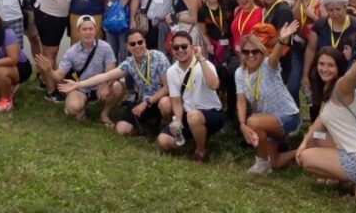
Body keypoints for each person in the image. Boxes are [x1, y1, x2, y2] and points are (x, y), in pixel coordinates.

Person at [296, 43, 356, 206]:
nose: (325, 69)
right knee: (316, 137)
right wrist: (304, 142)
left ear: (339, 67)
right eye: (321, 64)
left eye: (330, 65)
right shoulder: (327, 89)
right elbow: (320, 120)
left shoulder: (341, 86)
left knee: (305, 158)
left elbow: (352, 74)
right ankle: (350, 181)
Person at [59, 29, 171, 136]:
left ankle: (170, 127)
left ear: (145, 42)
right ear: (127, 47)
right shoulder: (129, 63)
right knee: (120, 129)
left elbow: (166, 88)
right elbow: (105, 76)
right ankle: (146, 127)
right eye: (132, 44)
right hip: (142, 101)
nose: (137, 46)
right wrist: (78, 84)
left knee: (165, 104)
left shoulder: (158, 57)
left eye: (140, 42)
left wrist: (146, 103)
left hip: (159, 99)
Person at [236, 22, 301, 175]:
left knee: (252, 121)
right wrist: (241, 124)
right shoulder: (239, 73)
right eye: (246, 52)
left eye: (255, 51)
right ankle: (304, 149)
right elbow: (240, 100)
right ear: (242, 54)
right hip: (266, 122)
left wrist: (280, 41)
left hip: (288, 116)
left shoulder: (268, 65)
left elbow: (275, 56)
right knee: (276, 162)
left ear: (262, 51)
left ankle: (261, 164)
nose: (251, 55)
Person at [39, 16, 122, 125]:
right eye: (84, 29)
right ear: (78, 32)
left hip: (99, 86)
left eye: (90, 29)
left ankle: (104, 114)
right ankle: (80, 109)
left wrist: (107, 86)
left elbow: (112, 72)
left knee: (116, 87)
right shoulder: (71, 52)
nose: (88, 32)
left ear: (95, 30)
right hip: (80, 88)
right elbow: (59, 75)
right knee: (73, 107)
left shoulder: (105, 47)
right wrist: (49, 70)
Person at [157, 31, 224, 163]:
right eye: (176, 47)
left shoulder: (205, 64)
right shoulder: (171, 71)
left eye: (184, 46)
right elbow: (176, 101)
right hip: (188, 114)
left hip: (211, 113)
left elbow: (214, 85)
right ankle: (189, 143)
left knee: (193, 116)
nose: (180, 50)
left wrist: (201, 58)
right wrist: (178, 121)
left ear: (192, 47)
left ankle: (200, 151)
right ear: (172, 49)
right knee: (162, 141)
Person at [303, 0, 356, 118]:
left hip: (345, 73)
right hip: (321, 71)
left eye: (338, 9)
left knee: (341, 107)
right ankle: (316, 131)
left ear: (345, 7)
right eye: (331, 10)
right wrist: (305, 75)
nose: (334, 13)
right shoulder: (320, 24)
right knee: (317, 104)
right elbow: (311, 49)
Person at [31, 0, 74, 102]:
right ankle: (51, 90)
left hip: (61, 16)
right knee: (50, 53)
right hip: (48, 15)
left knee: (50, 52)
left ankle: (45, 81)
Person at [198, 0, 234, 65]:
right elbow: (204, 33)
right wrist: (208, 45)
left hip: (230, 44)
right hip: (215, 46)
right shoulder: (202, 11)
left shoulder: (229, 3)